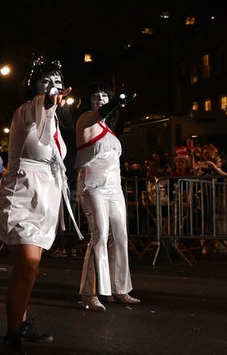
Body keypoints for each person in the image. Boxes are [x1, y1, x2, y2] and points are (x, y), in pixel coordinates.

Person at [0, 60, 80, 355]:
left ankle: (21, 322)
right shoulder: (28, 110)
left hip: (46, 197)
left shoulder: (54, 122)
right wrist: (49, 98)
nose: (53, 86)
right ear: (34, 86)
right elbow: (43, 104)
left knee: (29, 267)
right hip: (22, 194)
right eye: (46, 81)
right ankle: (12, 334)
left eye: (57, 81)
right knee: (27, 263)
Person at [74, 83, 140, 312]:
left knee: (120, 236)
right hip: (93, 186)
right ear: (88, 100)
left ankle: (119, 288)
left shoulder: (108, 129)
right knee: (100, 235)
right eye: (96, 96)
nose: (100, 99)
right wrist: (116, 102)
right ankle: (89, 292)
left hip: (114, 188)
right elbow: (101, 112)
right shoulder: (85, 120)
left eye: (104, 95)